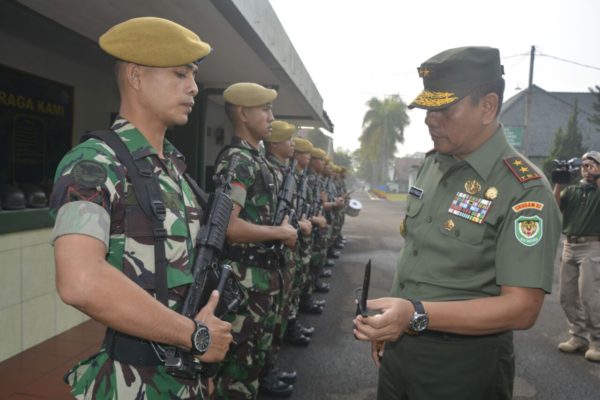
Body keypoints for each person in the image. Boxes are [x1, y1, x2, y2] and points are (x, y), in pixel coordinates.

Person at [353, 46, 561, 400]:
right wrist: (393, 326)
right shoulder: (433, 164)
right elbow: (419, 256)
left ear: (488, 107)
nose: (431, 120)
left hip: (462, 371)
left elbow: (523, 307)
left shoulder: (524, 189)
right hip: (399, 353)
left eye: (445, 108)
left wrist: (415, 314)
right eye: (428, 108)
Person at [49, 17, 232, 399]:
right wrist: (194, 336)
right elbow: (80, 281)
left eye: (194, 76)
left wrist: (202, 366)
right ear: (135, 76)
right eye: (180, 74)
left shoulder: (176, 170)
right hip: (134, 384)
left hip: (187, 377)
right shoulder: (96, 163)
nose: (194, 87)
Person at [213, 83, 298, 399]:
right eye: (265, 109)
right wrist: (279, 233)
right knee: (238, 368)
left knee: (256, 357)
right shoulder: (239, 160)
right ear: (244, 113)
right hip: (244, 279)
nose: (271, 117)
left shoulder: (255, 158)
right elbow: (229, 227)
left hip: (261, 277)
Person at [554, 150, 600, 362]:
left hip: (592, 247)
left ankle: (597, 342)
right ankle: (578, 337)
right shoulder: (572, 190)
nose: (587, 167)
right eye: (584, 164)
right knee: (566, 296)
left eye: (592, 164)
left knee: (590, 297)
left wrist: (597, 177)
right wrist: (559, 183)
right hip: (569, 245)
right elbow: (555, 208)